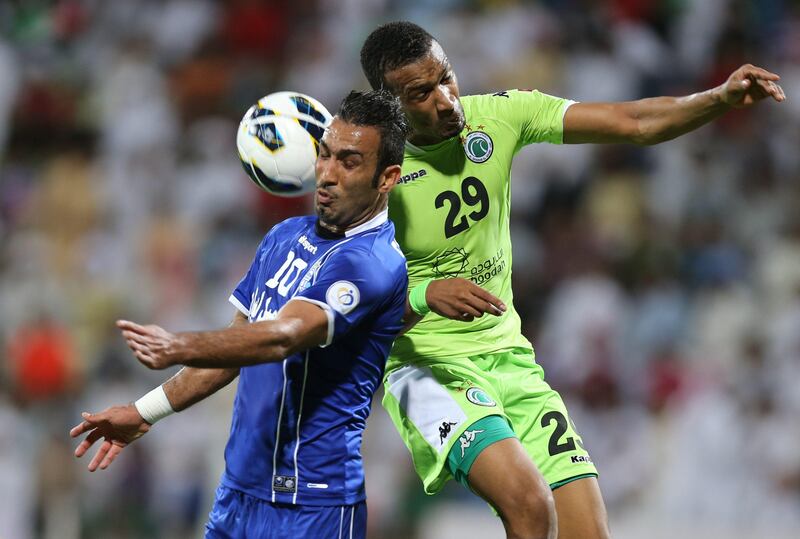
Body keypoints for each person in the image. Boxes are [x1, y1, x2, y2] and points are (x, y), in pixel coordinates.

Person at [359, 21, 785, 539]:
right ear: (389, 106)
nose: (446, 100)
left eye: (446, 78)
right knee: (528, 505)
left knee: (588, 530)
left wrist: (718, 97)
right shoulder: (374, 174)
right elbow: (351, 303)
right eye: (421, 94)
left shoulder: (500, 115)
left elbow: (633, 121)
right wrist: (426, 294)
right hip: (428, 370)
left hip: (510, 361)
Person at [70, 90, 415, 539]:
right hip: (239, 492)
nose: (326, 174)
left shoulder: (374, 263)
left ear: (387, 177)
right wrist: (144, 412)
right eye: (324, 155)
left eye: (348, 162)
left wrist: (178, 344)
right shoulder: (284, 236)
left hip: (312, 505)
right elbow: (235, 351)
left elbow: (283, 336)